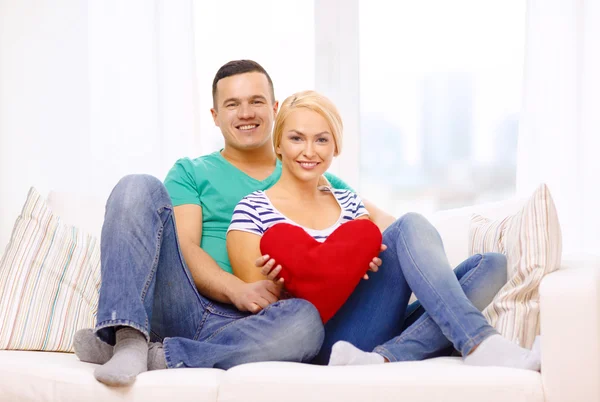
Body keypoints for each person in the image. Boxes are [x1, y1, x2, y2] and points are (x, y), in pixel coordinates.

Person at [73, 60, 378, 386]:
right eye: (232, 104)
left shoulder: (313, 172)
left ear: (274, 109)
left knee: (304, 323)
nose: (245, 113)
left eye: (256, 101)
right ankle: (129, 337)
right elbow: (186, 246)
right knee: (136, 185)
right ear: (215, 116)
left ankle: (160, 356)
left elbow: (371, 225)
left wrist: (376, 249)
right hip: (184, 302)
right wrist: (237, 289)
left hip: (251, 324)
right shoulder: (191, 172)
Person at [226, 90, 541, 370]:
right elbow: (261, 310)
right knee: (408, 226)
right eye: (297, 138)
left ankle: (385, 357)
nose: (310, 151)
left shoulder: (348, 203)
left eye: (321, 139)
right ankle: (479, 342)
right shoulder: (252, 208)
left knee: (493, 265)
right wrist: (283, 281)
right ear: (278, 143)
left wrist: (366, 260)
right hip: (319, 336)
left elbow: (407, 256)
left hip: (375, 323)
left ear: (335, 146)